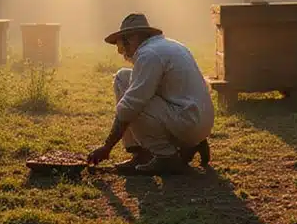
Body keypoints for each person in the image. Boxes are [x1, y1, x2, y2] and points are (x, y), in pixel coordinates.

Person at [87, 13, 215, 175]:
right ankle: (142, 153)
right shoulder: (169, 46)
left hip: (188, 121)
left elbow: (131, 105)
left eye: (122, 44)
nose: (123, 51)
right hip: (196, 119)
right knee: (122, 78)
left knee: (134, 105)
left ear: (133, 38)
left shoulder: (149, 54)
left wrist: (107, 147)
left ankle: (166, 157)